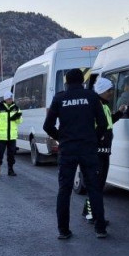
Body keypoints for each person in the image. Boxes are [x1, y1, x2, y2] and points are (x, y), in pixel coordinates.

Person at [43, 68, 109, 239]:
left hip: (67, 150)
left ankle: (63, 231)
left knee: (64, 190)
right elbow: (102, 123)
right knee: (94, 188)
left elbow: (47, 126)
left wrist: (61, 138)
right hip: (88, 149)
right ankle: (100, 228)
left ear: (66, 82)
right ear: (82, 81)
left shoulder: (59, 98)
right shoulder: (92, 97)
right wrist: (94, 139)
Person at [83, 77, 129, 222]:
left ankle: (88, 211)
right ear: (102, 91)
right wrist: (99, 141)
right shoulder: (96, 105)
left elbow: (108, 124)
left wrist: (120, 112)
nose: (111, 93)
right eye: (109, 90)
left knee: (98, 184)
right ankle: (92, 215)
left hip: (104, 151)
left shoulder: (104, 106)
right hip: (98, 152)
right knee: (96, 184)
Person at [0, 91, 22, 177]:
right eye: (8, 99)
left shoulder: (16, 108)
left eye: (11, 98)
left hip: (12, 136)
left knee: (11, 154)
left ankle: (10, 170)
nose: (10, 100)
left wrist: (17, 117)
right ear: (5, 99)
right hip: (1, 136)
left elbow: (20, 121)